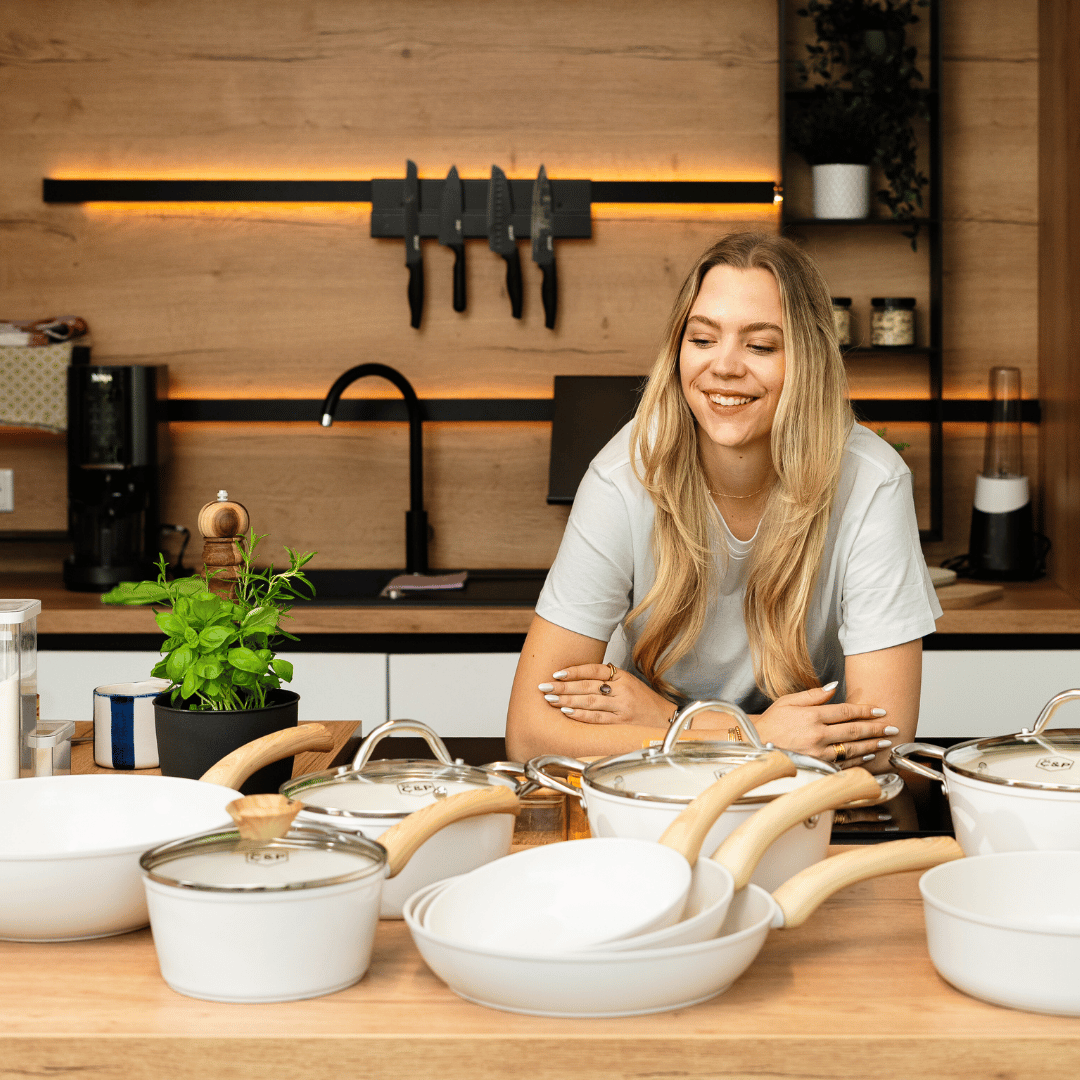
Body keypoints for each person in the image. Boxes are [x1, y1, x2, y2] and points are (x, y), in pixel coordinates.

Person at [505, 232, 941, 771]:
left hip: (803, 797)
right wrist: (755, 736)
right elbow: (528, 735)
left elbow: (884, 744)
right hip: (649, 788)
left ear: (808, 360)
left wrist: (668, 718)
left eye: (760, 346)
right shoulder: (624, 474)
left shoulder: (872, 482)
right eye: (703, 339)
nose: (725, 366)